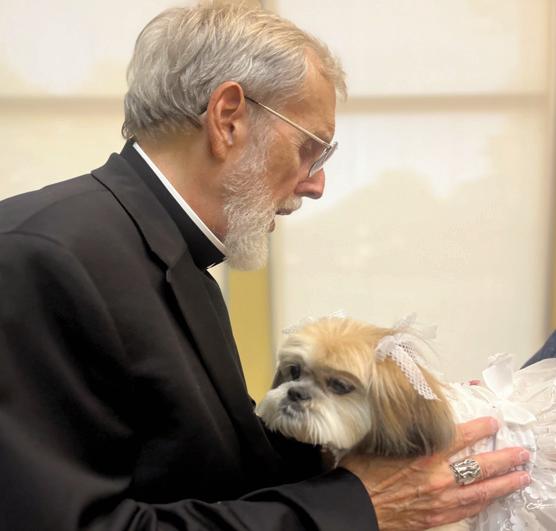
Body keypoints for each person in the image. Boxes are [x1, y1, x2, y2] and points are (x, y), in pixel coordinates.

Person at [0, 3, 530, 530]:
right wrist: (359, 507)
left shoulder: (165, 254)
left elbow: (204, 472)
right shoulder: (40, 257)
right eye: (310, 149)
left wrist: (386, 428)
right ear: (228, 118)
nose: (316, 183)